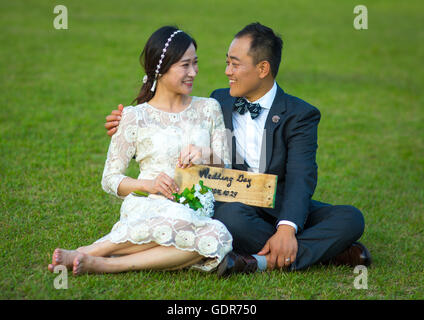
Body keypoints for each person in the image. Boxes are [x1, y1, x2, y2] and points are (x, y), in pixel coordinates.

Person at [105, 23, 372, 277]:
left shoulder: (300, 114)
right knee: (230, 218)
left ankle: (260, 260)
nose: (227, 71)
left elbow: (302, 178)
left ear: (263, 68)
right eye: (226, 62)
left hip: (278, 202)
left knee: (350, 218)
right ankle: (329, 252)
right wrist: (124, 119)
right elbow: (172, 114)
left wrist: (288, 228)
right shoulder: (219, 100)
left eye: (235, 64)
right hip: (235, 204)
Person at [48, 26, 233, 275]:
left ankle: (104, 261)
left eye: (195, 63)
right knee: (194, 230)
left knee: (219, 236)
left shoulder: (209, 108)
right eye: (185, 65)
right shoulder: (134, 117)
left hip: (196, 209)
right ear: (161, 68)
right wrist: (148, 185)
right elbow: (110, 179)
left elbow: (228, 168)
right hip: (150, 205)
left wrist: (206, 154)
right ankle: (94, 251)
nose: (194, 72)